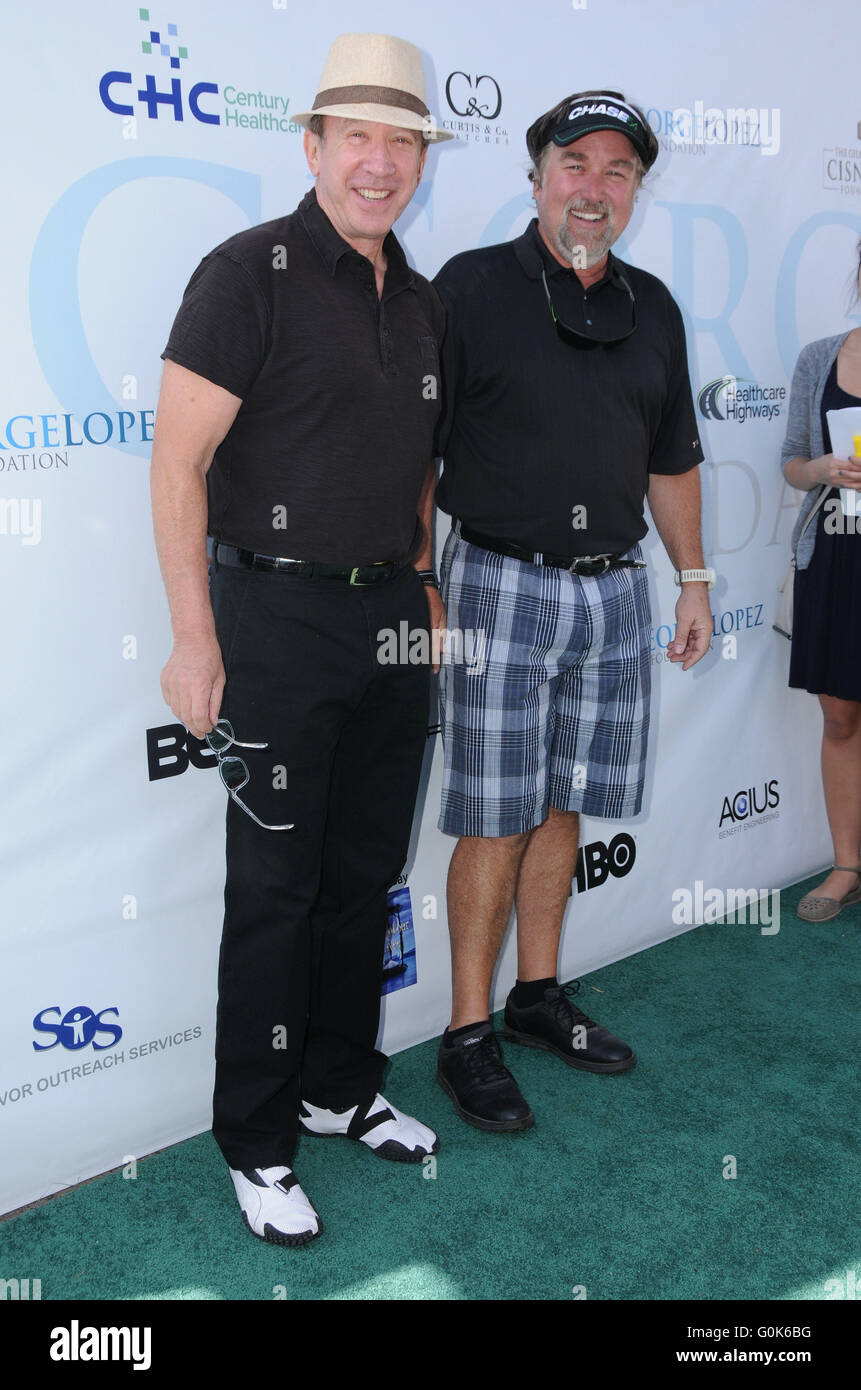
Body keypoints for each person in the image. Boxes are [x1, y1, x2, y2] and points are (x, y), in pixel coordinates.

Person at [150, 32, 452, 1244]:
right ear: (314, 144)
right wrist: (193, 634)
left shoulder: (424, 302)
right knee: (274, 890)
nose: (380, 165)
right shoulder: (247, 273)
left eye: (403, 143)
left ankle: (338, 1089)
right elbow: (179, 460)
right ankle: (258, 1141)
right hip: (270, 618)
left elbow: (421, 465)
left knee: (361, 876)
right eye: (358, 138)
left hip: (388, 619)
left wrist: (422, 580)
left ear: (422, 159)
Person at [432, 90, 713, 1131]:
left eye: (618, 173)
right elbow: (419, 455)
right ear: (537, 172)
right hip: (498, 581)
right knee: (495, 814)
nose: (594, 190)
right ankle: (467, 1034)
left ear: (636, 191)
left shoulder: (655, 306)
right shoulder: (468, 288)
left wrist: (693, 578)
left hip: (616, 587)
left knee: (564, 803)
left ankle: (538, 995)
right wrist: (421, 578)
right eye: (576, 165)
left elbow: (671, 458)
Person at [782, 240, 861, 922]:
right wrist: (824, 472)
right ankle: (845, 866)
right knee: (839, 715)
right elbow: (790, 463)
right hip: (834, 557)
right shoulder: (819, 357)